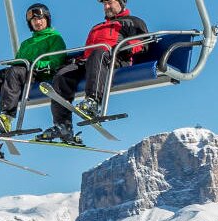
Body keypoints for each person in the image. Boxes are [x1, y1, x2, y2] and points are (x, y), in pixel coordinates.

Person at [0, 4, 68, 157]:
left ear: (47, 19)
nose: (38, 22)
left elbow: (57, 60)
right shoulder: (26, 44)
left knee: (15, 71)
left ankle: (7, 116)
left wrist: (37, 64)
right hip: (19, 75)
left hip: (38, 75)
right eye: (34, 20)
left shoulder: (54, 38)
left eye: (41, 19)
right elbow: (17, 63)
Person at [38, 0, 148, 145]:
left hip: (116, 59)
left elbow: (143, 43)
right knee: (62, 74)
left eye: (110, 3)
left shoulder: (132, 22)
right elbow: (87, 51)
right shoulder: (96, 27)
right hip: (91, 61)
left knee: (99, 52)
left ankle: (93, 102)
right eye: (104, 4)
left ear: (121, 3)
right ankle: (62, 125)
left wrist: (124, 47)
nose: (106, 7)